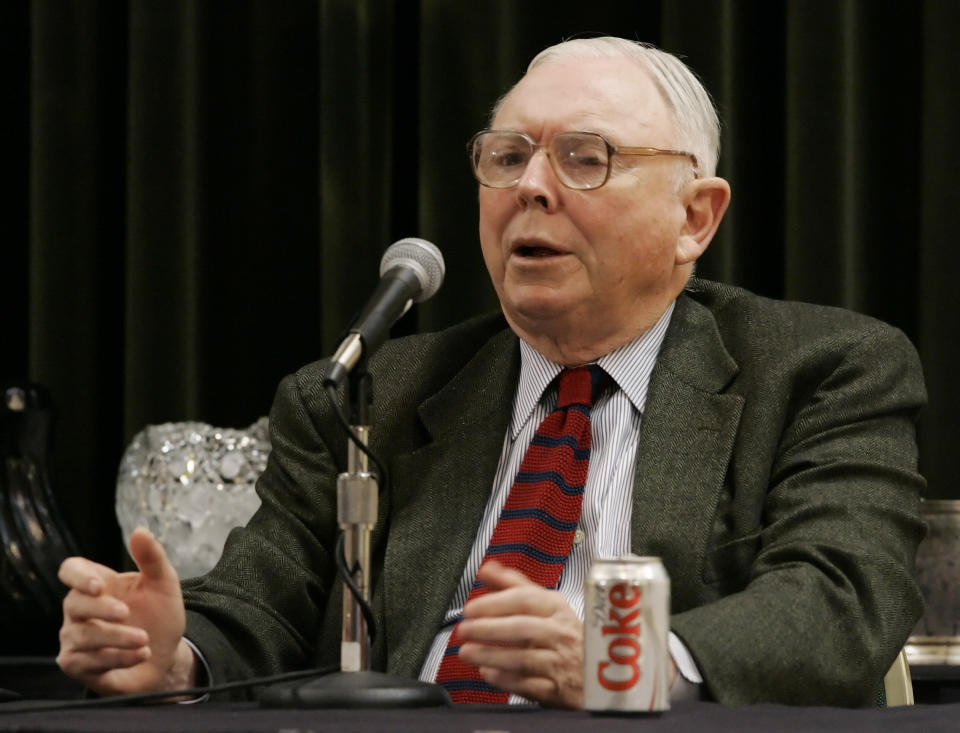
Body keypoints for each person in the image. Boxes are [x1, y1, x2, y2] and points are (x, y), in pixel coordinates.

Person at [56, 37, 926, 708]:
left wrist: (619, 656)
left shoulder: (820, 370)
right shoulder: (368, 397)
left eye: (586, 157)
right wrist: (169, 651)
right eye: (508, 157)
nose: (531, 189)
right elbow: (264, 606)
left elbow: (838, 595)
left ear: (695, 216)